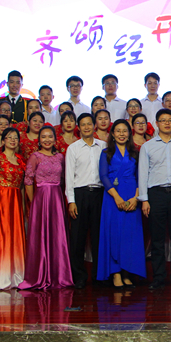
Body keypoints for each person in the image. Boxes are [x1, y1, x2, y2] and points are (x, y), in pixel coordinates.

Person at [139, 108, 171, 290]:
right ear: (157, 123)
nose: (167, 123)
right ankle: (158, 277)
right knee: (157, 239)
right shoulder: (147, 146)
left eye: (170, 120)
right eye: (163, 120)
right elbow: (143, 173)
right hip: (156, 194)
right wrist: (144, 200)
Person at [19, 126, 73, 289]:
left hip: (56, 198)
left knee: (57, 235)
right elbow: (28, 180)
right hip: (41, 198)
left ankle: (59, 275)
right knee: (41, 236)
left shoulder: (60, 157)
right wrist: (34, 201)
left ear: (55, 139)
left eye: (50, 136)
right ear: (39, 140)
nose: (47, 139)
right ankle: (39, 274)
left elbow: (65, 179)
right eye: (43, 137)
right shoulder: (35, 157)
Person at [98, 119, 146, 287]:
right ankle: (116, 273)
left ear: (129, 133)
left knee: (129, 235)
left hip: (132, 195)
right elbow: (103, 176)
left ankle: (127, 272)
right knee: (114, 234)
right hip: (112, 197)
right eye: (118, 131)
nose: (121, 134)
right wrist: (117, 197)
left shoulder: (136, 153)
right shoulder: (106, 153)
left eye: (124, 131)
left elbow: (141, 177)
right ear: (112, 134)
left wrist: (136, 198)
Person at [65, 113, 107, 289]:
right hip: (80, 194)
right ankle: (79, 276)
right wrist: (71, 201)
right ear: (79, 128)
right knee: (78, 238)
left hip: (100, 194)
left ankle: (99, 275)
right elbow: (69, 176)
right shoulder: (73, 148)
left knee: (99, 237)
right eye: (83, 125)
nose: (87, 127)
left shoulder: (103, 146)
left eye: (89, 124)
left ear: (94, 125)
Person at [0, 127, 27, 290]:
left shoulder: (20, 160)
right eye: (9, 137)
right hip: (2, 200)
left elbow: (22, 187)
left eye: (15, 137)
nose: (12, 140)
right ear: (3, 140)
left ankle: (17, 275)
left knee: (16, 237)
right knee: (3, 237)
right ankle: (2, 276)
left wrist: (23, 207)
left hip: (16, 200)